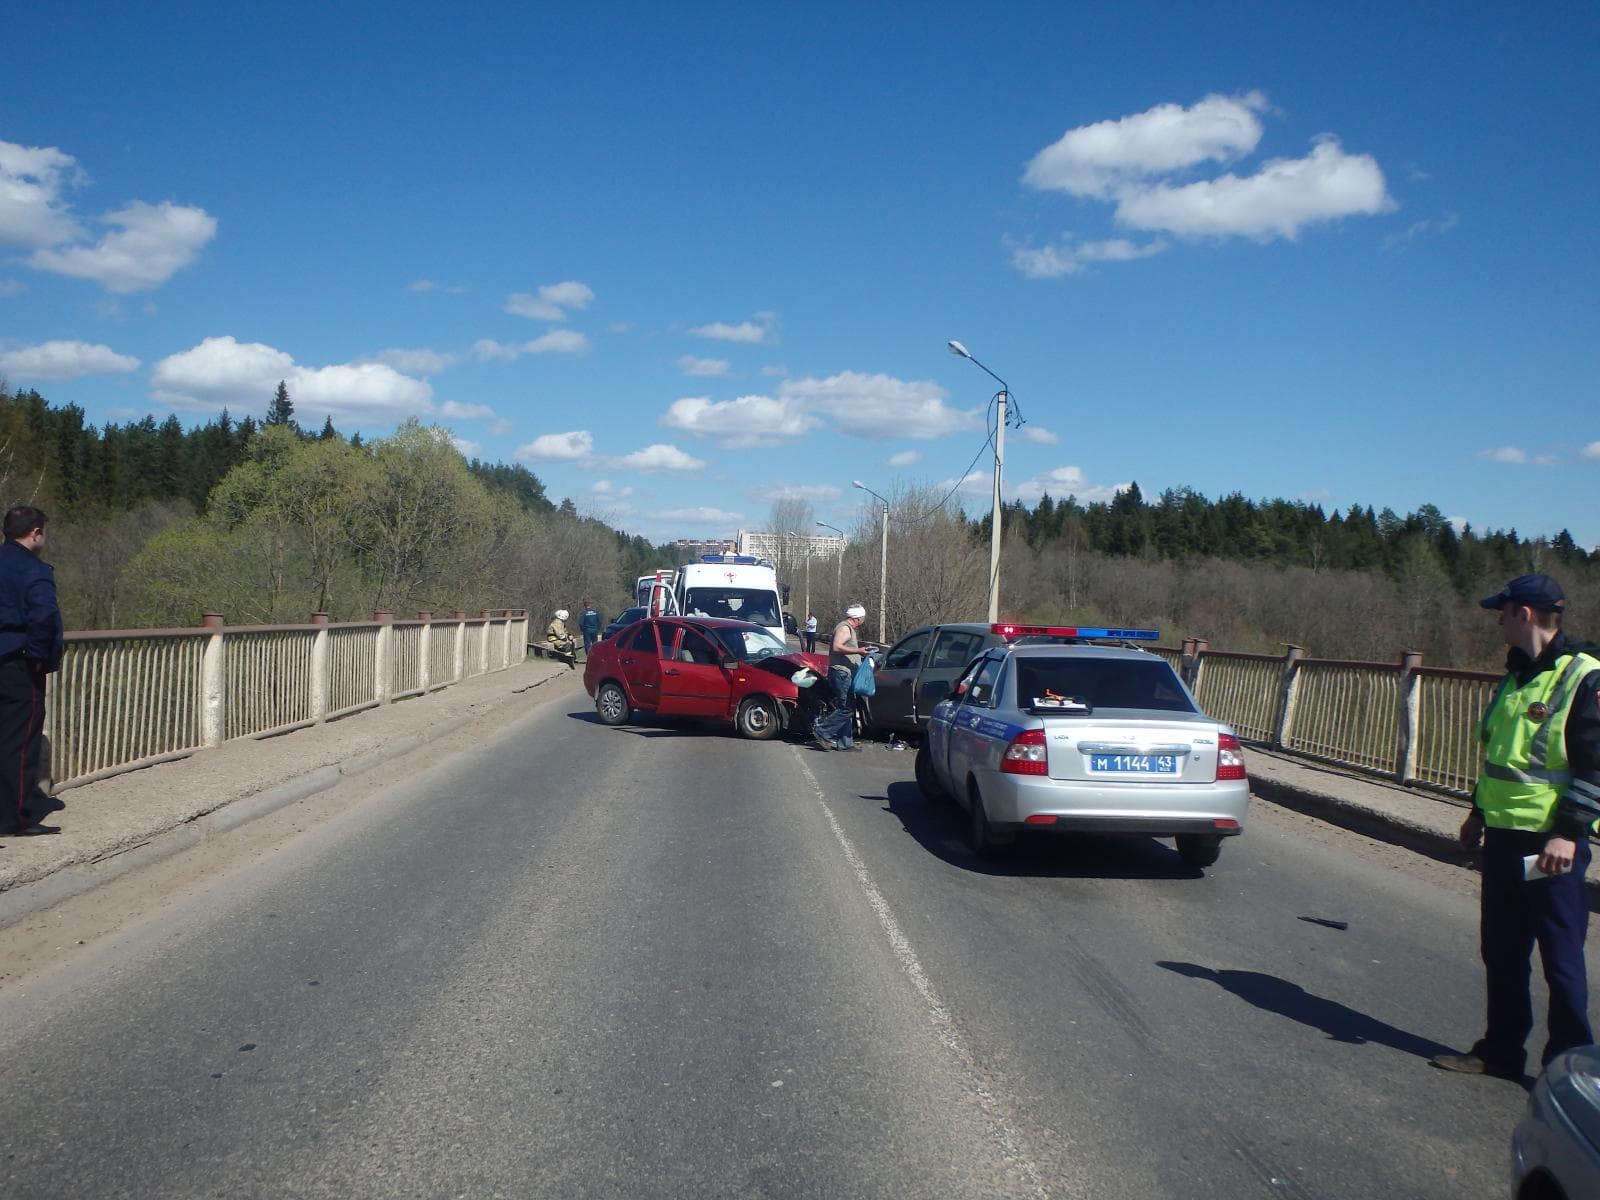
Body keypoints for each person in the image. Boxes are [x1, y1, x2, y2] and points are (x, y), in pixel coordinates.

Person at [1431, 574, 1600, 1081]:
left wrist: (1569, 833)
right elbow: (1501, 760)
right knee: (1502, 950)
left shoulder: (1583, 677)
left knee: (1560, 959)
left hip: (1550, 844)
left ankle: (1568, 1070)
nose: (1498, 621)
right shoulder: (1517, 675)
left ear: (1523, 613)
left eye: (1501, 613)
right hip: (1505, 837)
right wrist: (1477, 814)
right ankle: (1500, 1052)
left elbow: (1595, 765)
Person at [0, 506, 65, 837]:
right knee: (19, 742)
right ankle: (13, 819)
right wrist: (38, 657)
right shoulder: (34, 571)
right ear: (35, 533)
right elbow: (43, 616)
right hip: (19, 665)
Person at [812, 603, 873, 752]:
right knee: (846, 708)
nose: (864, 620)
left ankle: (845, 743)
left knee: (847, 707)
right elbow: (836, 646)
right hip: (841, 673)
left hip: (845, 674)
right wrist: (858, 650)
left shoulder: (848, 628)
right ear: (857, 618)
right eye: (863, 617)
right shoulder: (845, 628)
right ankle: (822, 731)